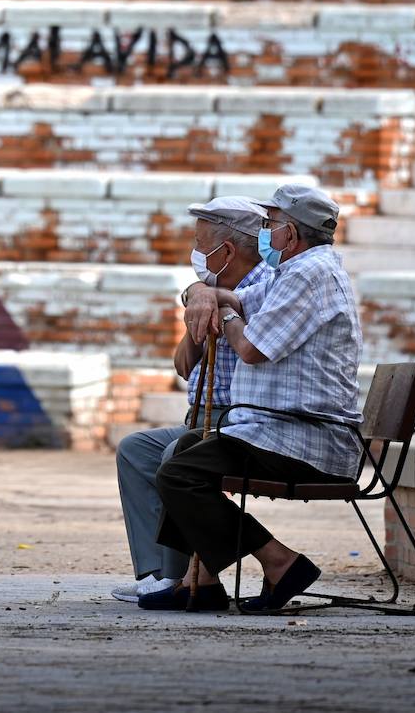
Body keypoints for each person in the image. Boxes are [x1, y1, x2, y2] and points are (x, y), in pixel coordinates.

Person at [143, 183, 362, 612]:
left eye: (272, 224)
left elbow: (251, 348)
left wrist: (223, 314)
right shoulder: (294, 270)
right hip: (277, 429)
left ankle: (280, 561)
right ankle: (200, 580)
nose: (266, 233)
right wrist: (202, 292)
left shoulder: (308, 274)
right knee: (187, 449)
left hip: (306, 436)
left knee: (180, 473)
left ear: (292, 235)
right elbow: (237, 297)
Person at [112, 197, 271, 603]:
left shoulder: (262, 290)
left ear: (228, 251)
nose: (196, 253)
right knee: (135, 449)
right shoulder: (212, 290)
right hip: (199, 415)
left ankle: (179, 577)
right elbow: (184, 365)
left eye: (201, 243)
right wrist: (199, 298)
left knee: (174, 456)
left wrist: (212, 299)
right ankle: (154, 573)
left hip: (237, 420)